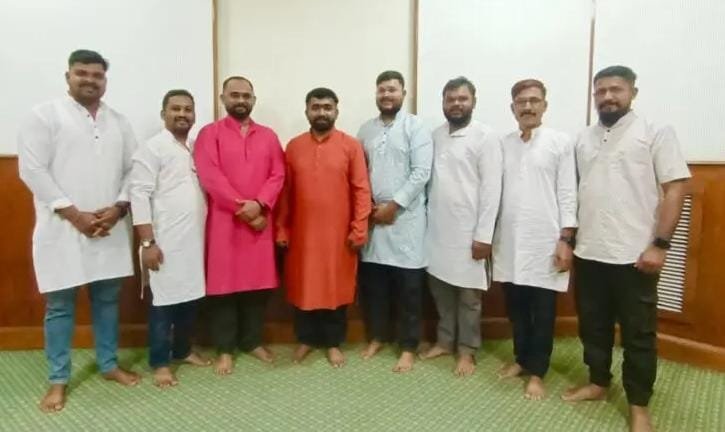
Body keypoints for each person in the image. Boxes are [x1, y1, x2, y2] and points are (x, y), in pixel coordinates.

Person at [561, 66, 690, 432]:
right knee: (593, 327)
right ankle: (598, 382)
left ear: (633, 92)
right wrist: (569, 240)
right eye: (600, 91)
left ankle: (638, 404)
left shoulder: (655, 132)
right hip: (589, 252)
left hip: (635, 256)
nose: (607, 97)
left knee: (638, 334)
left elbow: (676, 189)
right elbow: (575, 193)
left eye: (615, 89)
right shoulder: (583, 138)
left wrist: (660, 245)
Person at [17, 49, 140, 412]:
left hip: (108, 227)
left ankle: (108, 364)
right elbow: (32, 170)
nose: (90, 80)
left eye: (97, 75)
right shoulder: (44, 116)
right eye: (82, 73)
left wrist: (118, 208)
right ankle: (58, 379)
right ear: (67, 76)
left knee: (107, 301)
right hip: (62, 229)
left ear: (105, 80)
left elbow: (133, 170)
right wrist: (75, 216)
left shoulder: (119, 122)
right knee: (60, 307)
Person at [193, 76, 285, 375]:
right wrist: (243, 209)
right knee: (223, 289)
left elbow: (278, 174)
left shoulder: (268, 136)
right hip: (224, 224)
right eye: (234, 95)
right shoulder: (210, 134)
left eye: (246, 95)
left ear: (253, 100)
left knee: (257, 288)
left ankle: (252, 342)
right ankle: (224, 349)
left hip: (260, 223)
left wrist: (260, 204)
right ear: (223, 99)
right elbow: (210, 177)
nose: (241, 100)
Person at [493, 79, 577, 399]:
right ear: (512, 107)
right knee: (516, 307)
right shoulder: (504, 144)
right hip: (510, 241)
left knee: (542, 312)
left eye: (534, 100)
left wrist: (566, 239)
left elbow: (568, 193)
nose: (527, 107)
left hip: (545, 241)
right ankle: (521, 359)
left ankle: (538, 372)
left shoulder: (559, 142)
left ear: (544, 105)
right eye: (521, 102)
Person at [276, 87, 371, 368]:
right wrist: (281, 228)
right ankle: (305, 339)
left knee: (335, 288)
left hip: (338, 235)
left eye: (327, 107)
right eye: (315, 107)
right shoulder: (293, 146)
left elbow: (361, 190)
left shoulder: (350, 145)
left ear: (336, 111)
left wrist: (359, 228)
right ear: (306, 111)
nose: (321, 112)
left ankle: (333, 342)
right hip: (302, 234)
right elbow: (285, 193)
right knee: (302, 286)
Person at [421, 77, 502, 377]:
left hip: (470, 234)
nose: (456, 104)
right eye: (450, 99)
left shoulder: (485, 137)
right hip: (437, 231)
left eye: (462, 98)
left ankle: (467, 350)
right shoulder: (435, 135)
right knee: (440, 290)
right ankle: (445, 342)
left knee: (469, 298)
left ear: (473, 102)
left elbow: (492, 189)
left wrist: (484, 236)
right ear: (443, 103)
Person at [129, 89, 211, 388]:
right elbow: (139, 195)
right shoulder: (152, 148)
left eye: (188, 109)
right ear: (163, 114)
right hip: (163, 243)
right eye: (175, 109)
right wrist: (148, 243)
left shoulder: (195, 147)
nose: (182, 114)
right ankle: (160, 363)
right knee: (163, 304)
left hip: (194, 242)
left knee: (189, 299)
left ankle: (183, 350)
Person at [356, 70, 433, 373]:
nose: (386, 95)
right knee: (375, 286)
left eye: (392, 89)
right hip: (374, 219)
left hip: (406, 220)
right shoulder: (366, 129)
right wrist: (369, 207)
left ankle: (408, 346)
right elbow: (360, 172)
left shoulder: (416, 127)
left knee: (408, 291)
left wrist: (395, 205)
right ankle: (378, 337)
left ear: (403, 93)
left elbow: (421, 172)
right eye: (382, 90)